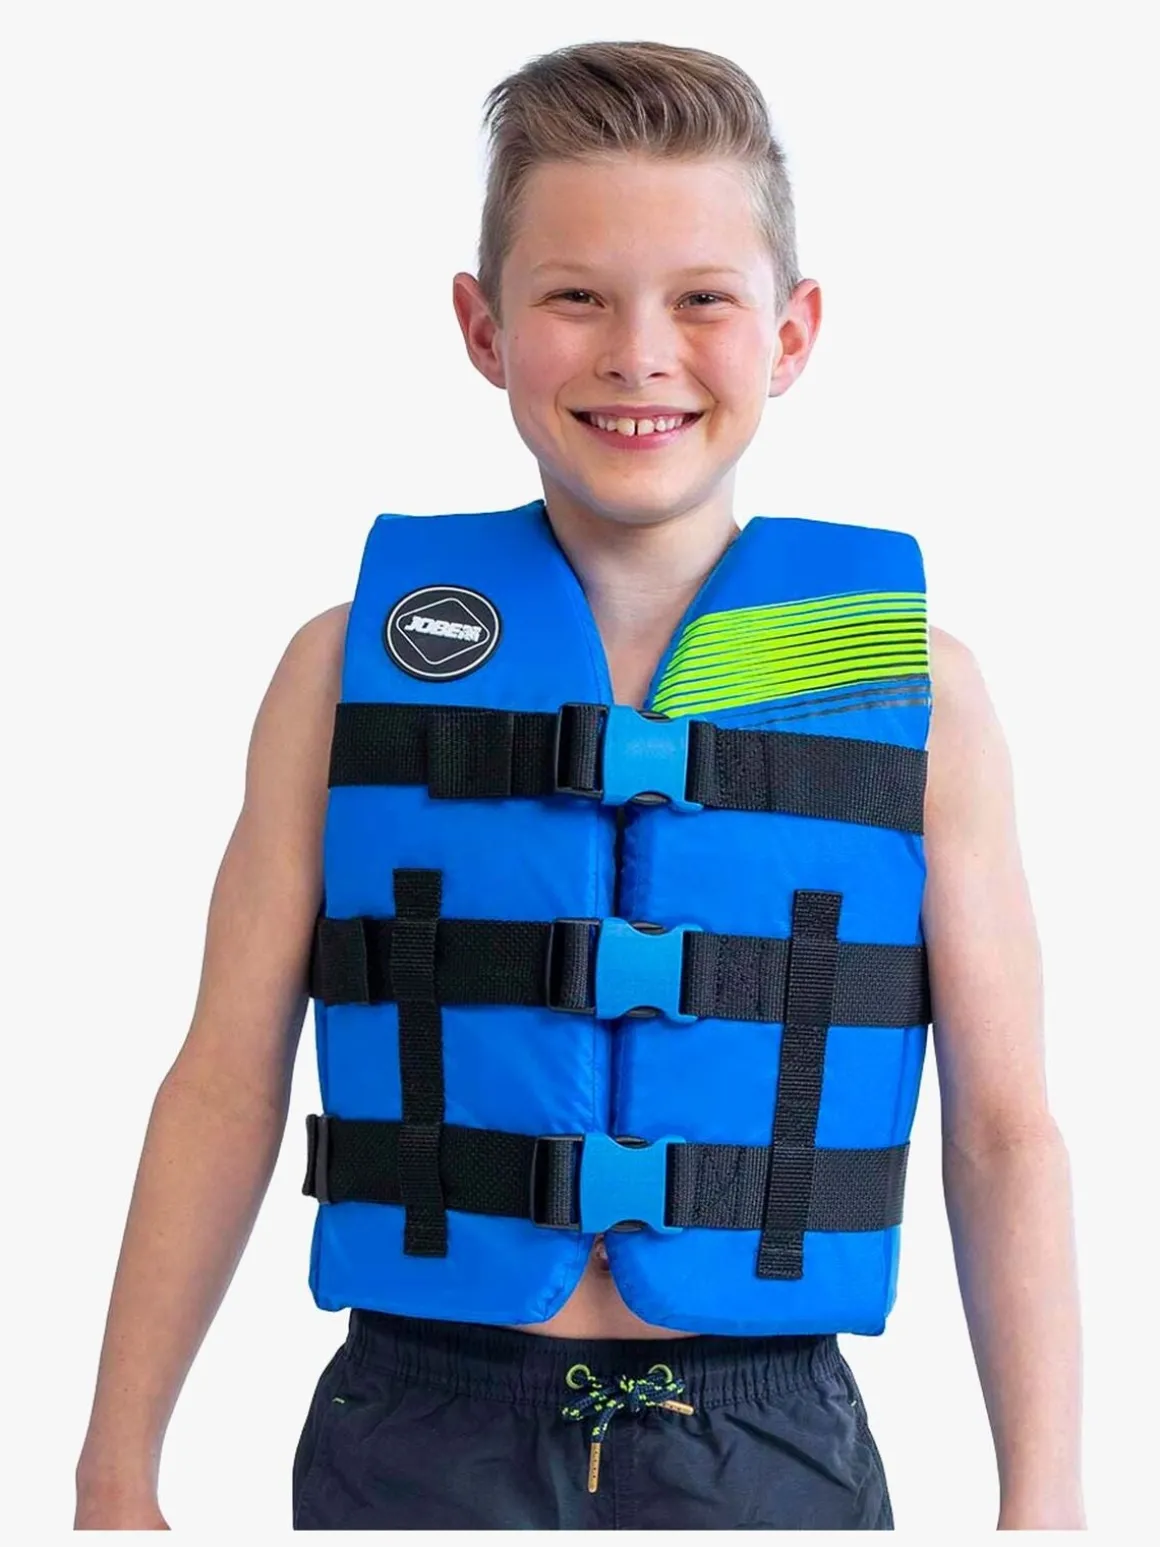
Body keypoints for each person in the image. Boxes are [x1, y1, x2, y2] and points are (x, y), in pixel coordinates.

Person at [74, 39, 1084, 1532]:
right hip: (417, 1429)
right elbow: (224, 1077)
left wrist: (1046, 1509)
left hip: (766, 1442)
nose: (639, 353)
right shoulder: (342, 672)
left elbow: (1004, 1130)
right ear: (483, 329)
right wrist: (114, 1477)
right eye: (576, 298)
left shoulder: (918, 697)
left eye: (702, 299)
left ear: (793, 333)